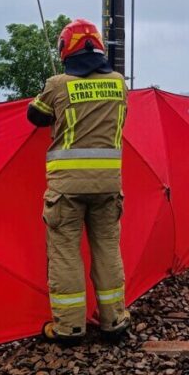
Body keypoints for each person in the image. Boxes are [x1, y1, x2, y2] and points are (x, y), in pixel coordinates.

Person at [27, 19, 131, 345]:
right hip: (108, 186)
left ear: (65, 51)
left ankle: (69, 328)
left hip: (67, 189)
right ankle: (114, 320)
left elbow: (35, 115)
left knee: (65, 254)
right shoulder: (118, 83)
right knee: (107, 251)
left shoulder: (58, 84)